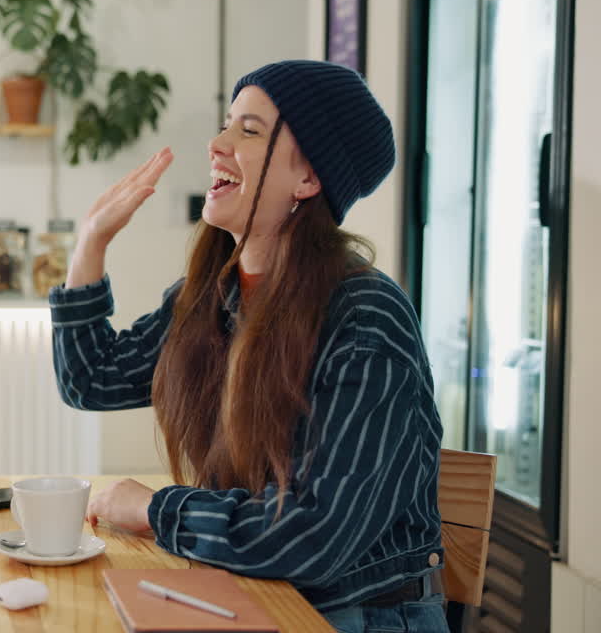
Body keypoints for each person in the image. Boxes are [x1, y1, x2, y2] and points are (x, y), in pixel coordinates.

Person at [50, 60, 446, 632]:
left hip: (357, 616)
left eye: (250, 130)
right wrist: (90, 242)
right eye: (226, 125)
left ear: (308, 179)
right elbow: (92, 379)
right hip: (249, 594)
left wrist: (154, 508)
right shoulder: (215, 296)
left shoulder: (365, 317)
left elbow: (312, 535)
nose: (217, 145)